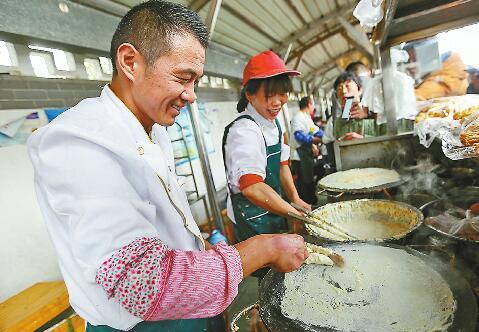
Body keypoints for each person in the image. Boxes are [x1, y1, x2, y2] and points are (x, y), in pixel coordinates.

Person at [27, 2, 308, 331]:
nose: (191, 96)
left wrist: (199, 243)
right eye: (182, 78)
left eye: (196, 82)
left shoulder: (153, 130)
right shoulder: (79, 143)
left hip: (189, 307)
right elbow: (140, 284)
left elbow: (162, 217)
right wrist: (263, 248)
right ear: (130, 62)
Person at [223, 50, 311, 260]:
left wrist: (295, 199)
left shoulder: (275, 125)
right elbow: (252, 187)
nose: (277, 102)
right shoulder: (244, 130)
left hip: (273, 207)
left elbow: (282, 166)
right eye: (269, 94)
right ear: (250, 95)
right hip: (252, 219)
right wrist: (290, 211)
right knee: (264, 271)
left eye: (282, 93)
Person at [290, 96, 323, 205]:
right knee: (304, 183)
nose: (313, 107)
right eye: (313, 104)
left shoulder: (306, 117)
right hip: (299, 156)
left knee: (309, 181)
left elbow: (315, 130)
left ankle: (312, 202)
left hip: (305, 154)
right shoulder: (298, 117)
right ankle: (306, 204)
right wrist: (314, 140)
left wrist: (324, 135)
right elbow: (298, 135)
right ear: (309, 105)